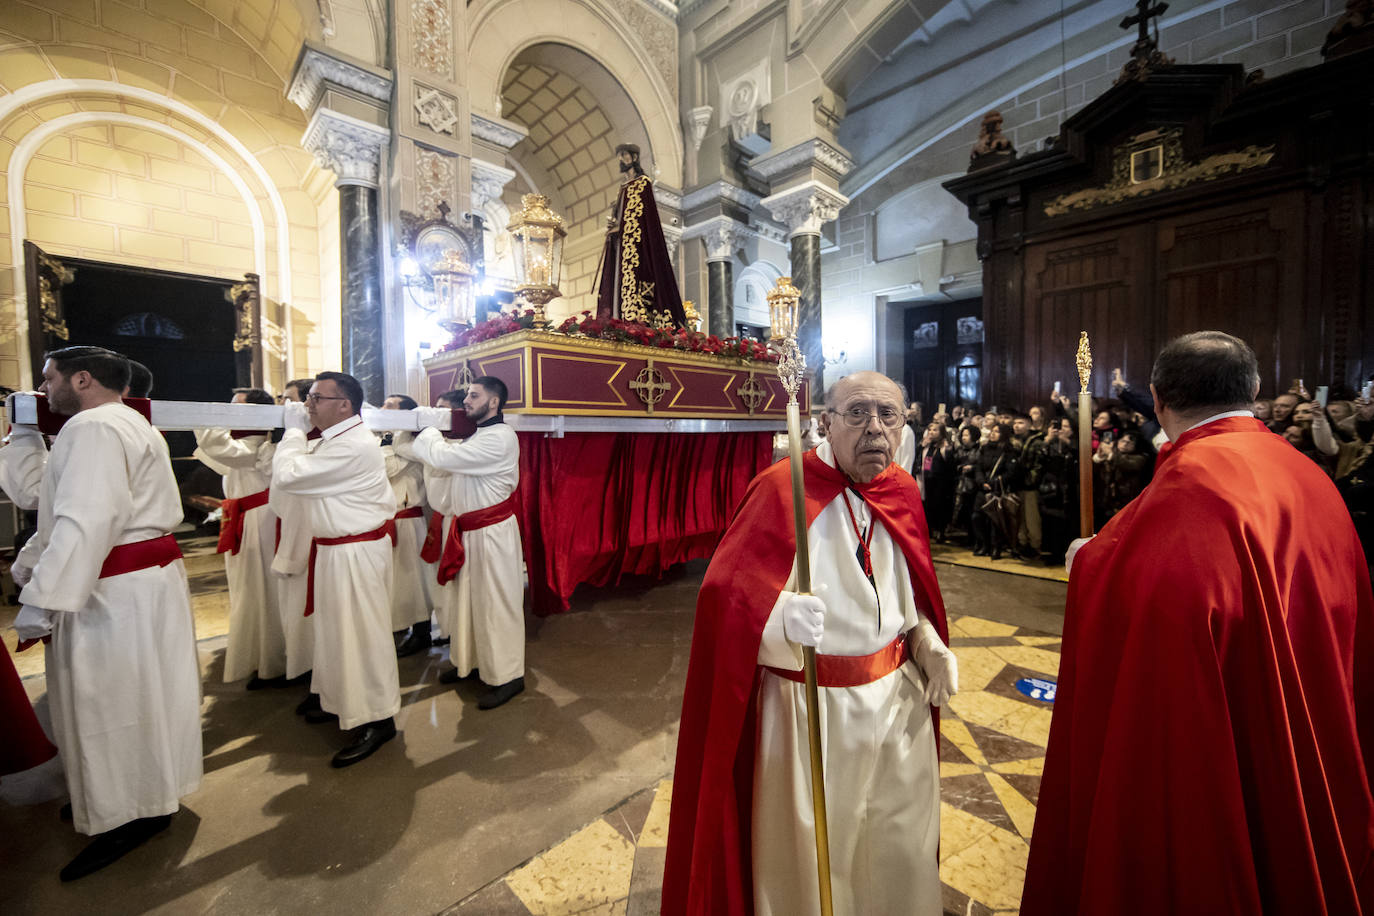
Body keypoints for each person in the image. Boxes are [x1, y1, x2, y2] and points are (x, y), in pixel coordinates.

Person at [1022, 331, 1374, 914]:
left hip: (1229, 723)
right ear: (1256, 392)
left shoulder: (1193, 482)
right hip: (1307, 699)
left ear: (1156, 398)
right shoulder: (1308, 473)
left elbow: (1169, 611)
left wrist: (1090, 562)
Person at [662, 370, 957, 916]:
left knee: (901, 841)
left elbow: (906, 588)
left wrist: (925, 640)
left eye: (887, 416)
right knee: (819, 853)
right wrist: (775, 618)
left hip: (898, 707)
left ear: (903, 426)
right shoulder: (782, 487)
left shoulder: (903, 490)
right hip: (810, 712)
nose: (874, 429)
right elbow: (723, 595)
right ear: (825, 422)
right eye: (857, 413)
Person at [11, 346, 201, 881]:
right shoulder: (130, 422)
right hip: (140, 582)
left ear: (84, 379)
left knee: (110, 699)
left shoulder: (93, 427)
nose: (43, 391)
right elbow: (59, 505)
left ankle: (128, 814)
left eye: (50, 380)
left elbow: (86, 519)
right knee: (145, 693)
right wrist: (35, 562)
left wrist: (41, 599)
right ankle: (143, 794)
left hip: (111, 589)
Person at [272, 372, 400, 767]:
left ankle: (378, 718)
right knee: (334, 634)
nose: (308, 405)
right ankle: (340, 700)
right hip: (334, 551)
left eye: (316, 398)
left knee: (361, 635)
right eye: (309, 398)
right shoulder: (336, 440)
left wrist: (292, 434)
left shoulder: (355, 445)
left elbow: (290, 476)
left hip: (354, 552)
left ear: (344, 405)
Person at [411, 377, 525, 710]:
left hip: (492, 534)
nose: (467, 401)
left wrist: (429, 428)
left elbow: (442, 458)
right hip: (468, 533)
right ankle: (471, 664)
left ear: (494, 402)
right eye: (466, 396)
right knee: (467, 602)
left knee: (494, 604)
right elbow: (441, 457)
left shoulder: (501, 439)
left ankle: (508, 675)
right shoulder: (478, 437)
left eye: (475, 396)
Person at [194, 388, 286, 689]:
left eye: (235, 407)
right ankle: (259, 655)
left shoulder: (259, 446)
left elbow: (217, 446)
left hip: (261, 520)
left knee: (260, 589)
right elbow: (215, 453)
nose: (229, 411)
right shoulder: (246, 445)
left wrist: (211, 416)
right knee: (247, 588)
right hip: (245, 519)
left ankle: (274, 662)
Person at [594, 143, 686, 325]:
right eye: (620, 156)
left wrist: (622, 228)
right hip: (621, 247)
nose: (621, 159)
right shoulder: (622, 188)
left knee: (637, 292)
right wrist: (613, 226)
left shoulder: (642, 184)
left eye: (625, 155)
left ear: (634, 158)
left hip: (637, 250)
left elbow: (645, 220)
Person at [380, 393, 436, 657]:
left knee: (413, 578)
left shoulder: (411, 443)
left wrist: (386, 443)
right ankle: (397, 626)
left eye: (390, 407)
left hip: (408, 517)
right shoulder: (385, 439)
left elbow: (387, 468)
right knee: (393, 581)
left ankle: (422, 631)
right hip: (387, 518)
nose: (383, 409)